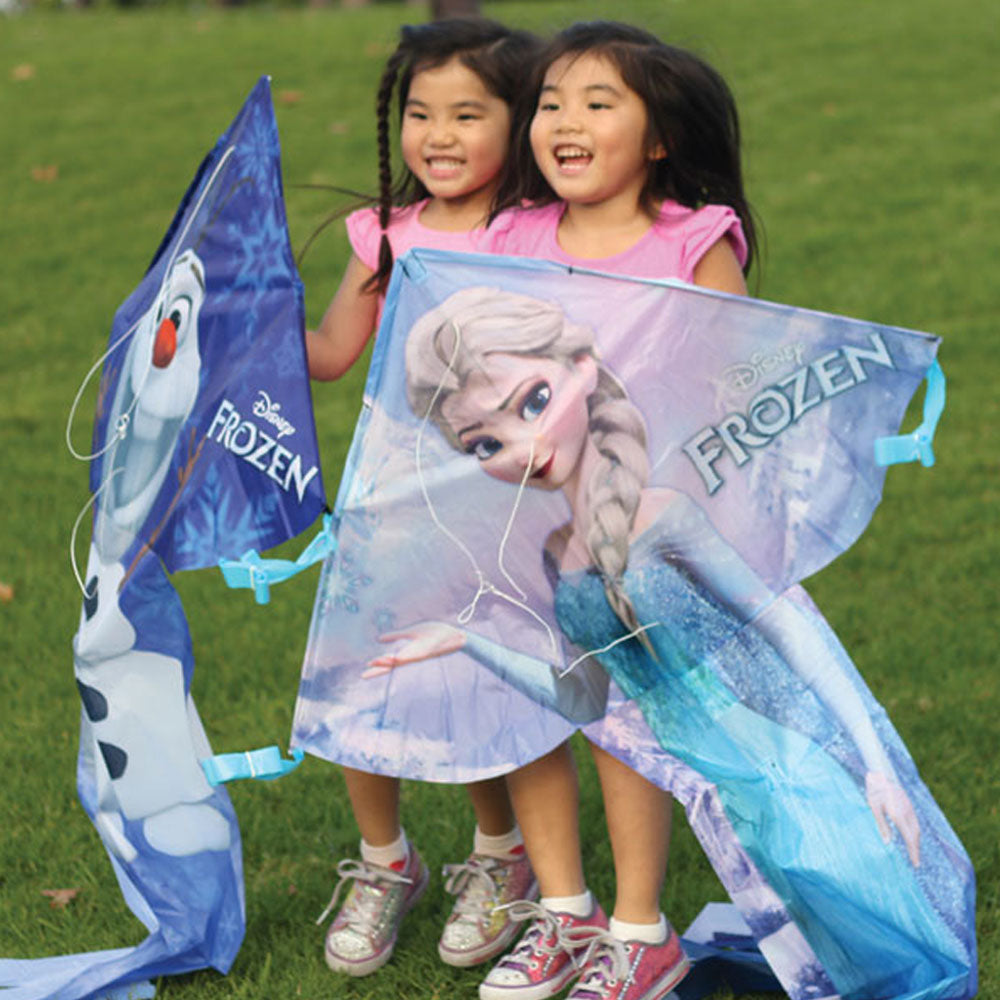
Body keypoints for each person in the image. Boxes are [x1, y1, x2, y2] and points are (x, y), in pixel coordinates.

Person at [375, 283, 963, 1000]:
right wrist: (465, 640)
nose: (525, 448)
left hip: (780, 757)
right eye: (486, 443)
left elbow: (786, 623)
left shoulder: (665, 516)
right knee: (809, 936)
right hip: (711, 791)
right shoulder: (554, 553)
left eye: (534, 403)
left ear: (584, 368)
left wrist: (874, 765)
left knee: (865, 916)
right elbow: (585, 695)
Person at [306, 17, 542, 978]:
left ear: (519, 122)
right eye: (418, 112)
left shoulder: (534, 230)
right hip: (386, 500)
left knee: (476, 677)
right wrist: (250, 309)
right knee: (359, 673)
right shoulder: (387, 235)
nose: (436, 135)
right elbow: (329, 355)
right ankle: (383, 862)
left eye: (466, 114)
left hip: (494, 507)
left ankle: (501, 857)